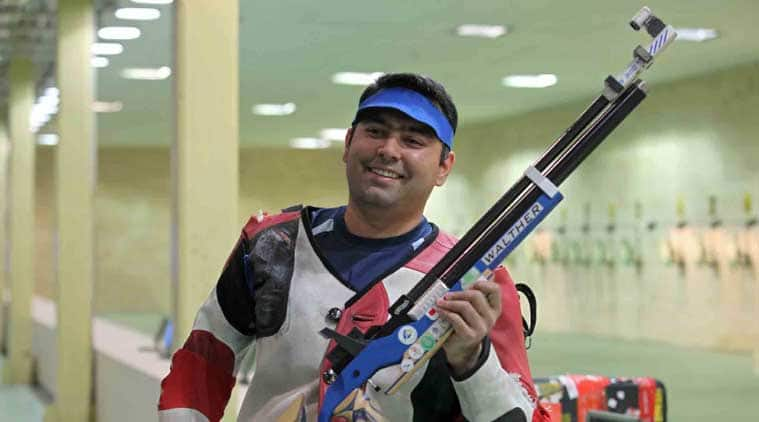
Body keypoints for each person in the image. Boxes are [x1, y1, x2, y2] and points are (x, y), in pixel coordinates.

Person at [158, 73, 549, 422]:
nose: (389, 150)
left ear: (444, 166)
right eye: (375, 132)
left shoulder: (477, 280)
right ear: (348, 143)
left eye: (413, 140)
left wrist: (471, 359)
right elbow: (201, 365)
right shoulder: (273, 245)